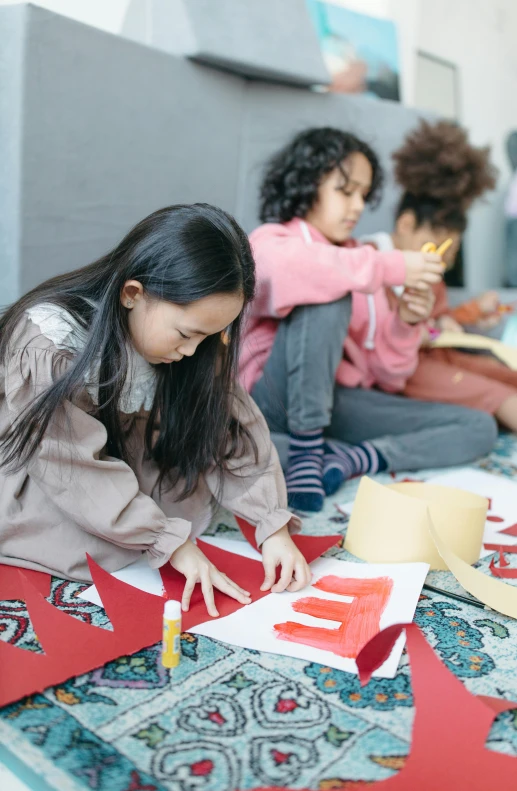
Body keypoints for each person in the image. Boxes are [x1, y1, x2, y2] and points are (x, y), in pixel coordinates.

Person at [0, 204, 311, 616]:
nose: (190, 351)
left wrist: (272, 527)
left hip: (128, 467)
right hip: (59, 476)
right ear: (133, 294)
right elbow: (71, 467)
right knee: (96, 546)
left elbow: (232, 430)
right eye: (186, 334)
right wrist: (170, 541)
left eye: (208, 337)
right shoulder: (51, 343)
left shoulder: (191, 346)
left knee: (179, 501)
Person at [240, 127, 497, 513]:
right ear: (308, 184)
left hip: (336, 402)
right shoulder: (270, 241)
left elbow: (390, 377)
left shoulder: (358, 259)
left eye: (363, 194)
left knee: (479, 427)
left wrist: (407, 322)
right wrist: (391, 266)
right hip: (274, 398)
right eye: (346, 192)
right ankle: (307, 451)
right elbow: (302, 270)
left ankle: (353, 458)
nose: (358, 206)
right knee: (327, 289)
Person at [364, 120, 517, 432]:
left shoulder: (430, 270)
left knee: (503, 372)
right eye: (437, 247)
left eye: (450, 255)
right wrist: (418, 330)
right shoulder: (366, 260)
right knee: (496, 393)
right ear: (406, 225)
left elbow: (438, 318)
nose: (441, 262)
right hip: (405, 369)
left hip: (439, 354)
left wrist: (467, 314)